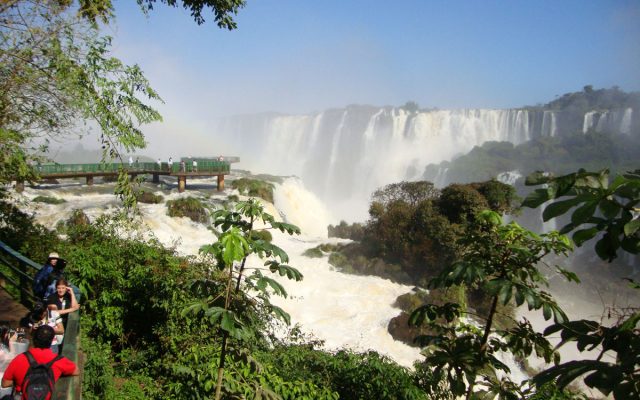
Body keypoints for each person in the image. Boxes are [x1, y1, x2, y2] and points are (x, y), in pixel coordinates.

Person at [1, 325, 78, 399]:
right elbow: (76, 371)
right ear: (51, 341)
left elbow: (5, 383)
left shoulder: (20, 358)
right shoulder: (58, 360)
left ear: (34, 339)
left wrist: (19, 381)